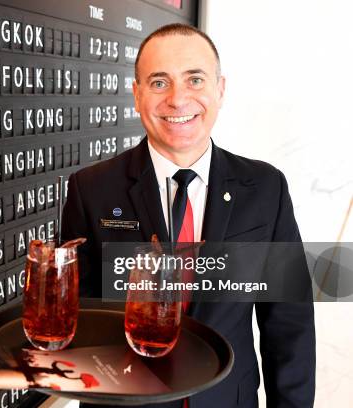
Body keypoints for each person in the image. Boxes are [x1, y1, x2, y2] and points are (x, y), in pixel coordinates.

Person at [61, 24, 315, 407]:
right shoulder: (90, 189)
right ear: (137, 94)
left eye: (195, 79)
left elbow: (289, 326)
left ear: (220, 89)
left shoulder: (266, 188)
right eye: (159, 83)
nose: (178, 100)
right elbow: (76, 319)